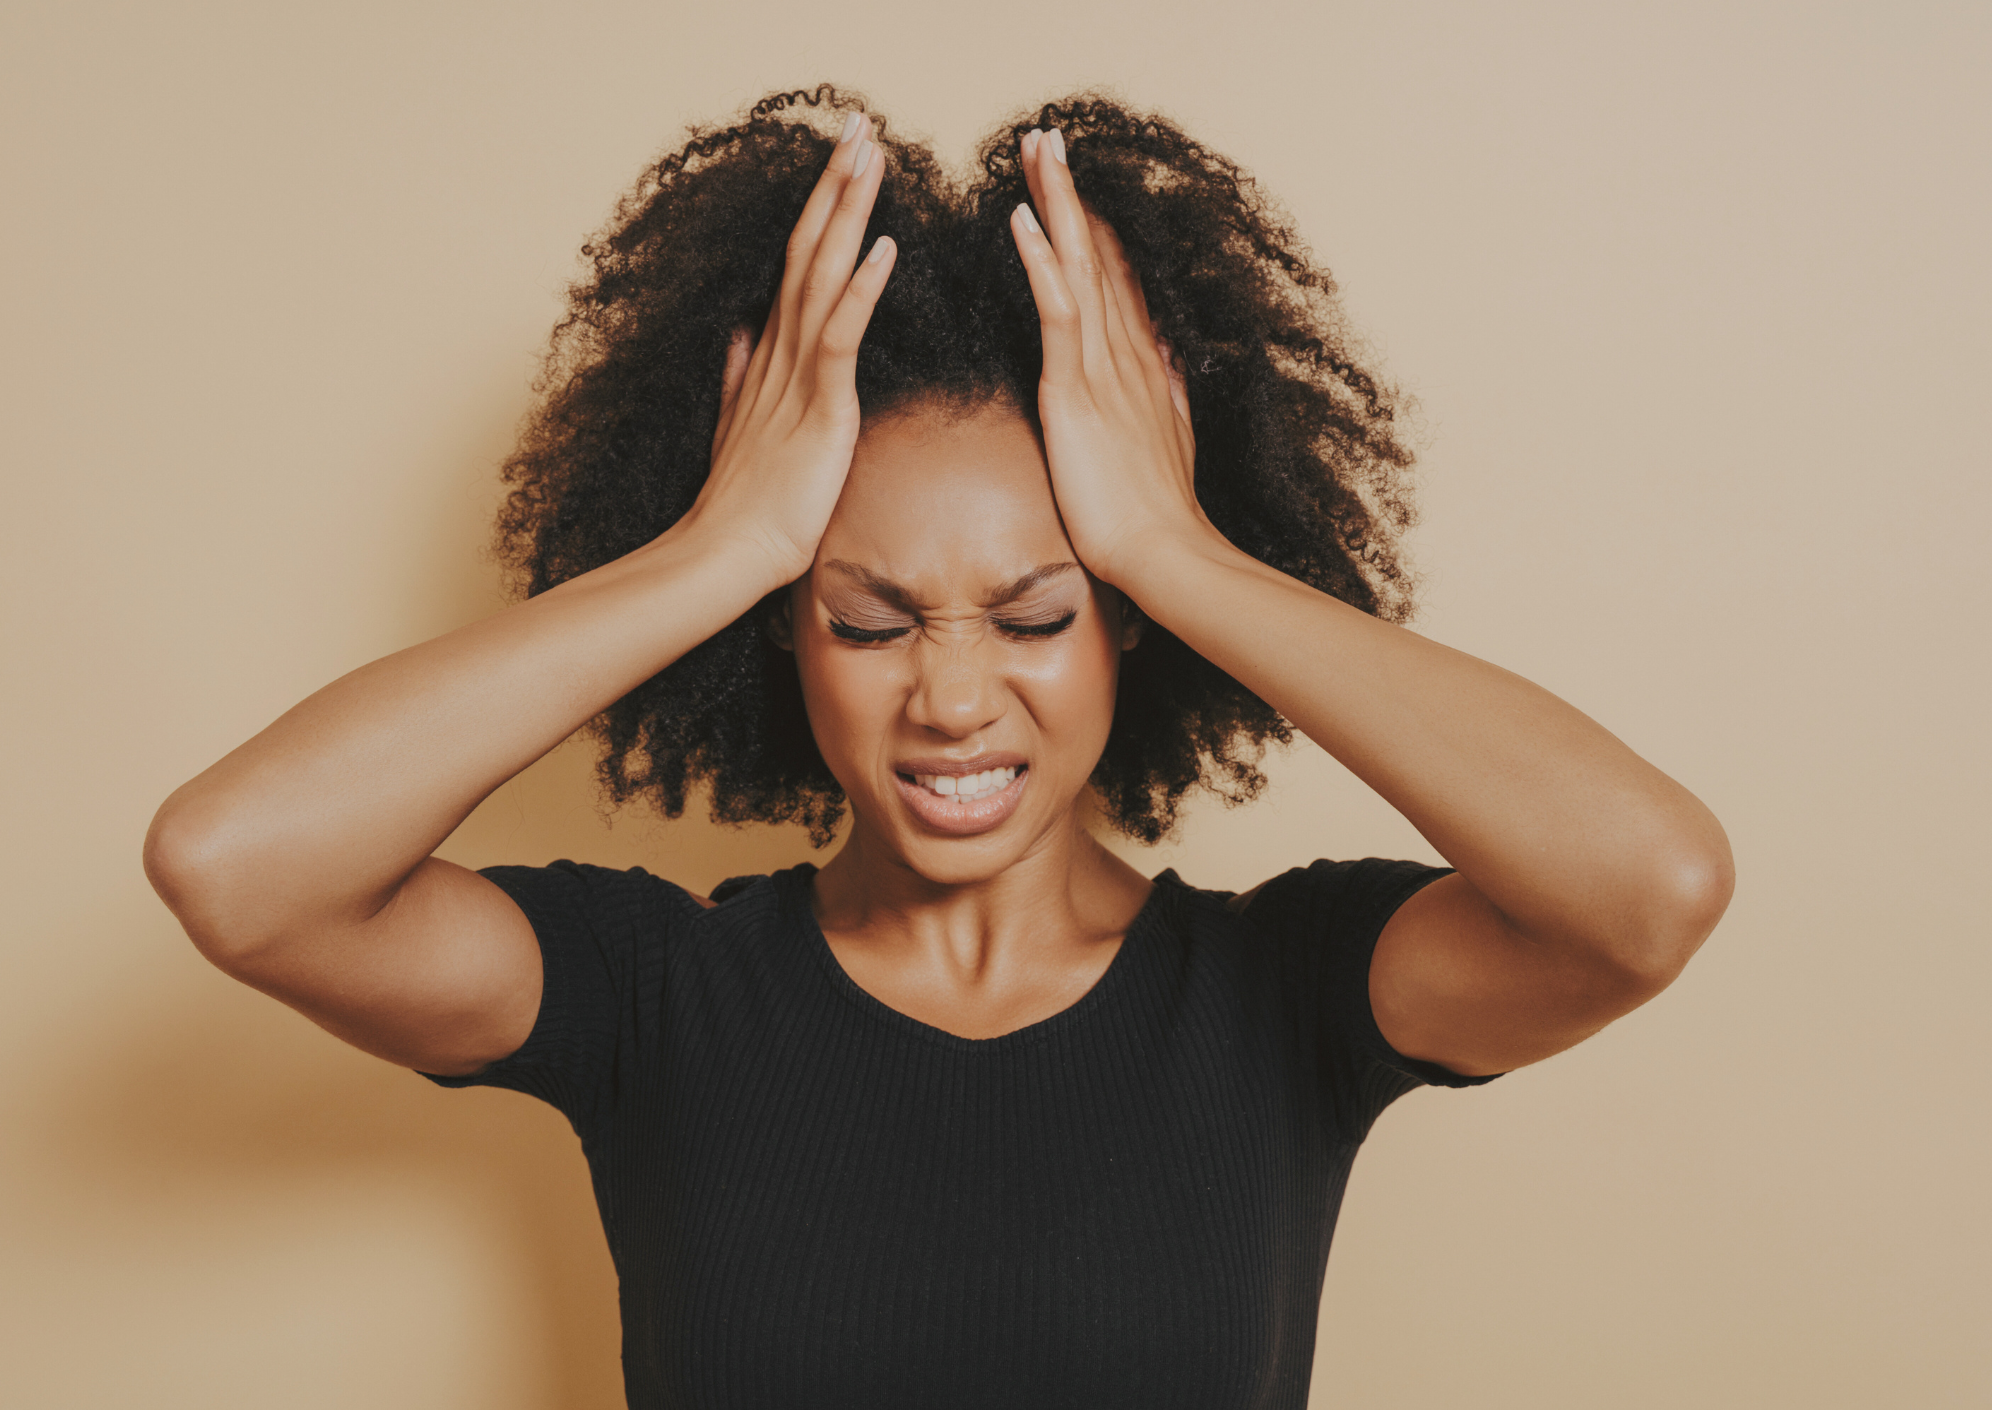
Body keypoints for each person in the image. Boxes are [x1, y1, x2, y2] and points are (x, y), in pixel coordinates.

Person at [143, 88, 1734, 1410]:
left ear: (1124, 629)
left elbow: (1647, 884)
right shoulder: (656, 995)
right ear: (787, 631)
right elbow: (237, 868)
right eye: (870, 617)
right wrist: (723, 542)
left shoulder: (1284, 997)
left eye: (1037, 615)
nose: (955, 697)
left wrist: (1177, 550)